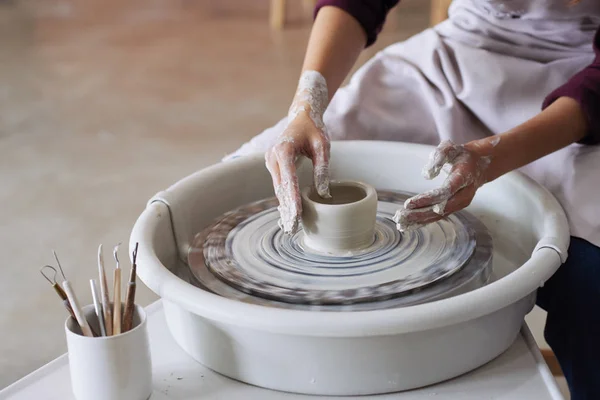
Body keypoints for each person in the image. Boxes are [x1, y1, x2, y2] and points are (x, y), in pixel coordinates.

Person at [224, 1, 600, 398]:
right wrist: (306, 104)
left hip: (581, 87)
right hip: (462, 52)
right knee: (251, 170)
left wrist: (494, 157)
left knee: (591, 284)